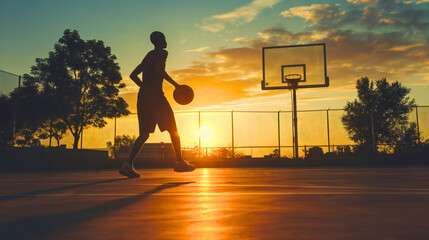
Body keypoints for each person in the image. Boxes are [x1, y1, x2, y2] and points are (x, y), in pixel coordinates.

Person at [119, 31, 195, 178]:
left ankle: (127, 165)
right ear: (159, 41)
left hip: (143, 98)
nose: (166, 41)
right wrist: (176, 85)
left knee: (144, 134)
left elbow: (133, 75)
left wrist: (144, 87)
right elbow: (159, 71)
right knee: (173, 128)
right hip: (156, 98)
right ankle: (179, 162)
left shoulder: (148, 56)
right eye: (164, 38)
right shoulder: (162, 53)